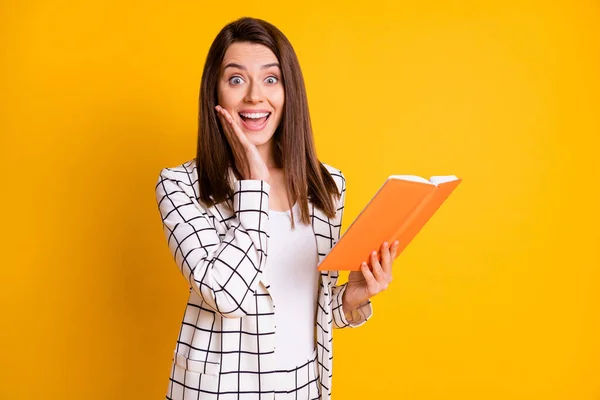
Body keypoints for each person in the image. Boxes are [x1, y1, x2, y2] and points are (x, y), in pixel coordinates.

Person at [154, 16, 397, 400]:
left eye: (271, 79)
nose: (254, 96)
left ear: (289, 92)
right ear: (214, 93)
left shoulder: (327, 186)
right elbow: (226, 295)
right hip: (218, 392)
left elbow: (306, 306)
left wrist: (351, 298)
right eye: (236, 79)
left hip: (302, 388)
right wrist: (255, 184)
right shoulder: (181, 185)